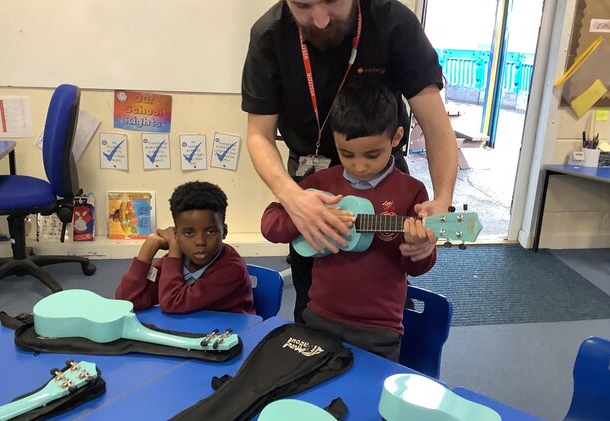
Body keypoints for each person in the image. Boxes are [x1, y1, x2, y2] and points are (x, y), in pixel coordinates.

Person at [242, 0, 457, 322]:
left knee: (384, 274)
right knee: (310, 282)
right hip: (312, 182)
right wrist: (294, 199)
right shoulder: (268, 34)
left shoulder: (393, 22)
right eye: (302, 5)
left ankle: (380, 336)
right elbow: (259, 134)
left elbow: (437, 127)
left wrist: (442, 199)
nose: (321, 20)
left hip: (384, 176)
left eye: (332, 1)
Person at [260, 79, 437, 360]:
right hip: (319, 318)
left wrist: (420, 249)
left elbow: (416, 267)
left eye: (373, 154)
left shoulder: (411, 191)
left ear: (396, 137)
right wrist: (306, 218)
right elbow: (270, 223)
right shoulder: (320, 184)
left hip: (379, 330)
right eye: (347, 154)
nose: (360, 165)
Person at [115, 181, 255, 314]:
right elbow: (128, 301)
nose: (200, 241)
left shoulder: (232, 269)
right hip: (192, 331)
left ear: (224, 231)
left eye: (210, 232)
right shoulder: (180, 258)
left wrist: (174, 248)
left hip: (231, 333)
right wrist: (148, 248)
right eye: (189, 233)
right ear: (176, 234)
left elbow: (172, 302)